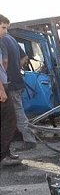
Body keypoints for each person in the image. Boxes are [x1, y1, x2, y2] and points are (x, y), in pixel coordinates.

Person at [0, 15, 37, 151]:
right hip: (17, 80)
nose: (5, 30)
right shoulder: (12, 39)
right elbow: (24, 58)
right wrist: (17, 68)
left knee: (17, 111)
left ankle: (29, 139)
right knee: (15, 111)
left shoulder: (2, 40)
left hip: (9, 83)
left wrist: (5, 73)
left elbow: (4, 62)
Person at [0, 14, 20, 165]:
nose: (5, 31)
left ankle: (6, 152)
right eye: (3, 27)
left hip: (4, 84)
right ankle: (3, 155)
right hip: (1, 87)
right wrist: (1, 89)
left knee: (7, 121)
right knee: (10, 121)